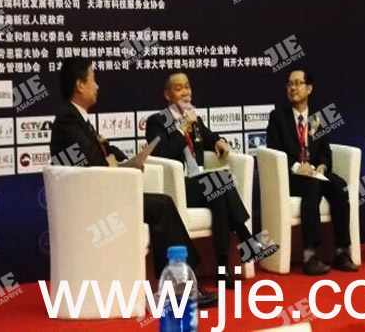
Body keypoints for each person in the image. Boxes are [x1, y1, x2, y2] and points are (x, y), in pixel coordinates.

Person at [49, 58, 217, 305]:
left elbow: (105, 152)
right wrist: (111, 163)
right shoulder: (68, 120)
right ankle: (178, 285)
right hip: (92, 204)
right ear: (79, 85)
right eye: (93, 79)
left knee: (162, 204)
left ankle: (179, 283)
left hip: (102, 194)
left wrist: (123, 160)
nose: (98, 86)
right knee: (162, 206)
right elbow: (91, 164)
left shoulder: (77, 118)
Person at [146, 71, 278, 288]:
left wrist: (219, 141)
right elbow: (163, 156)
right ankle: (246, 238)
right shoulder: (157, 122)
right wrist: (182, 130)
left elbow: (209, 137)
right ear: (168, 95)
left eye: (187, 86)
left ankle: (222, 271)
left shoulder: (194, 118)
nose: (185, 92)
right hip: (178, 187)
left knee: (219, 197)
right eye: (179, 88)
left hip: (199, 184)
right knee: (221, 181)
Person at [265, 69, 358, 275]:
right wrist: (297, 167)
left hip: (316, 173)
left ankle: (342, 251)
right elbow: (274, 150)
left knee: (340, 186)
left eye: (298, 83)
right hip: (291, 177)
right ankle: (309, 254)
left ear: (309, 88)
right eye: (290, 84)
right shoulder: (278, 118)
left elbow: (325, 151)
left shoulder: (316, 119)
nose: (293, 88)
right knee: (312, 186)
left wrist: (323, 165)